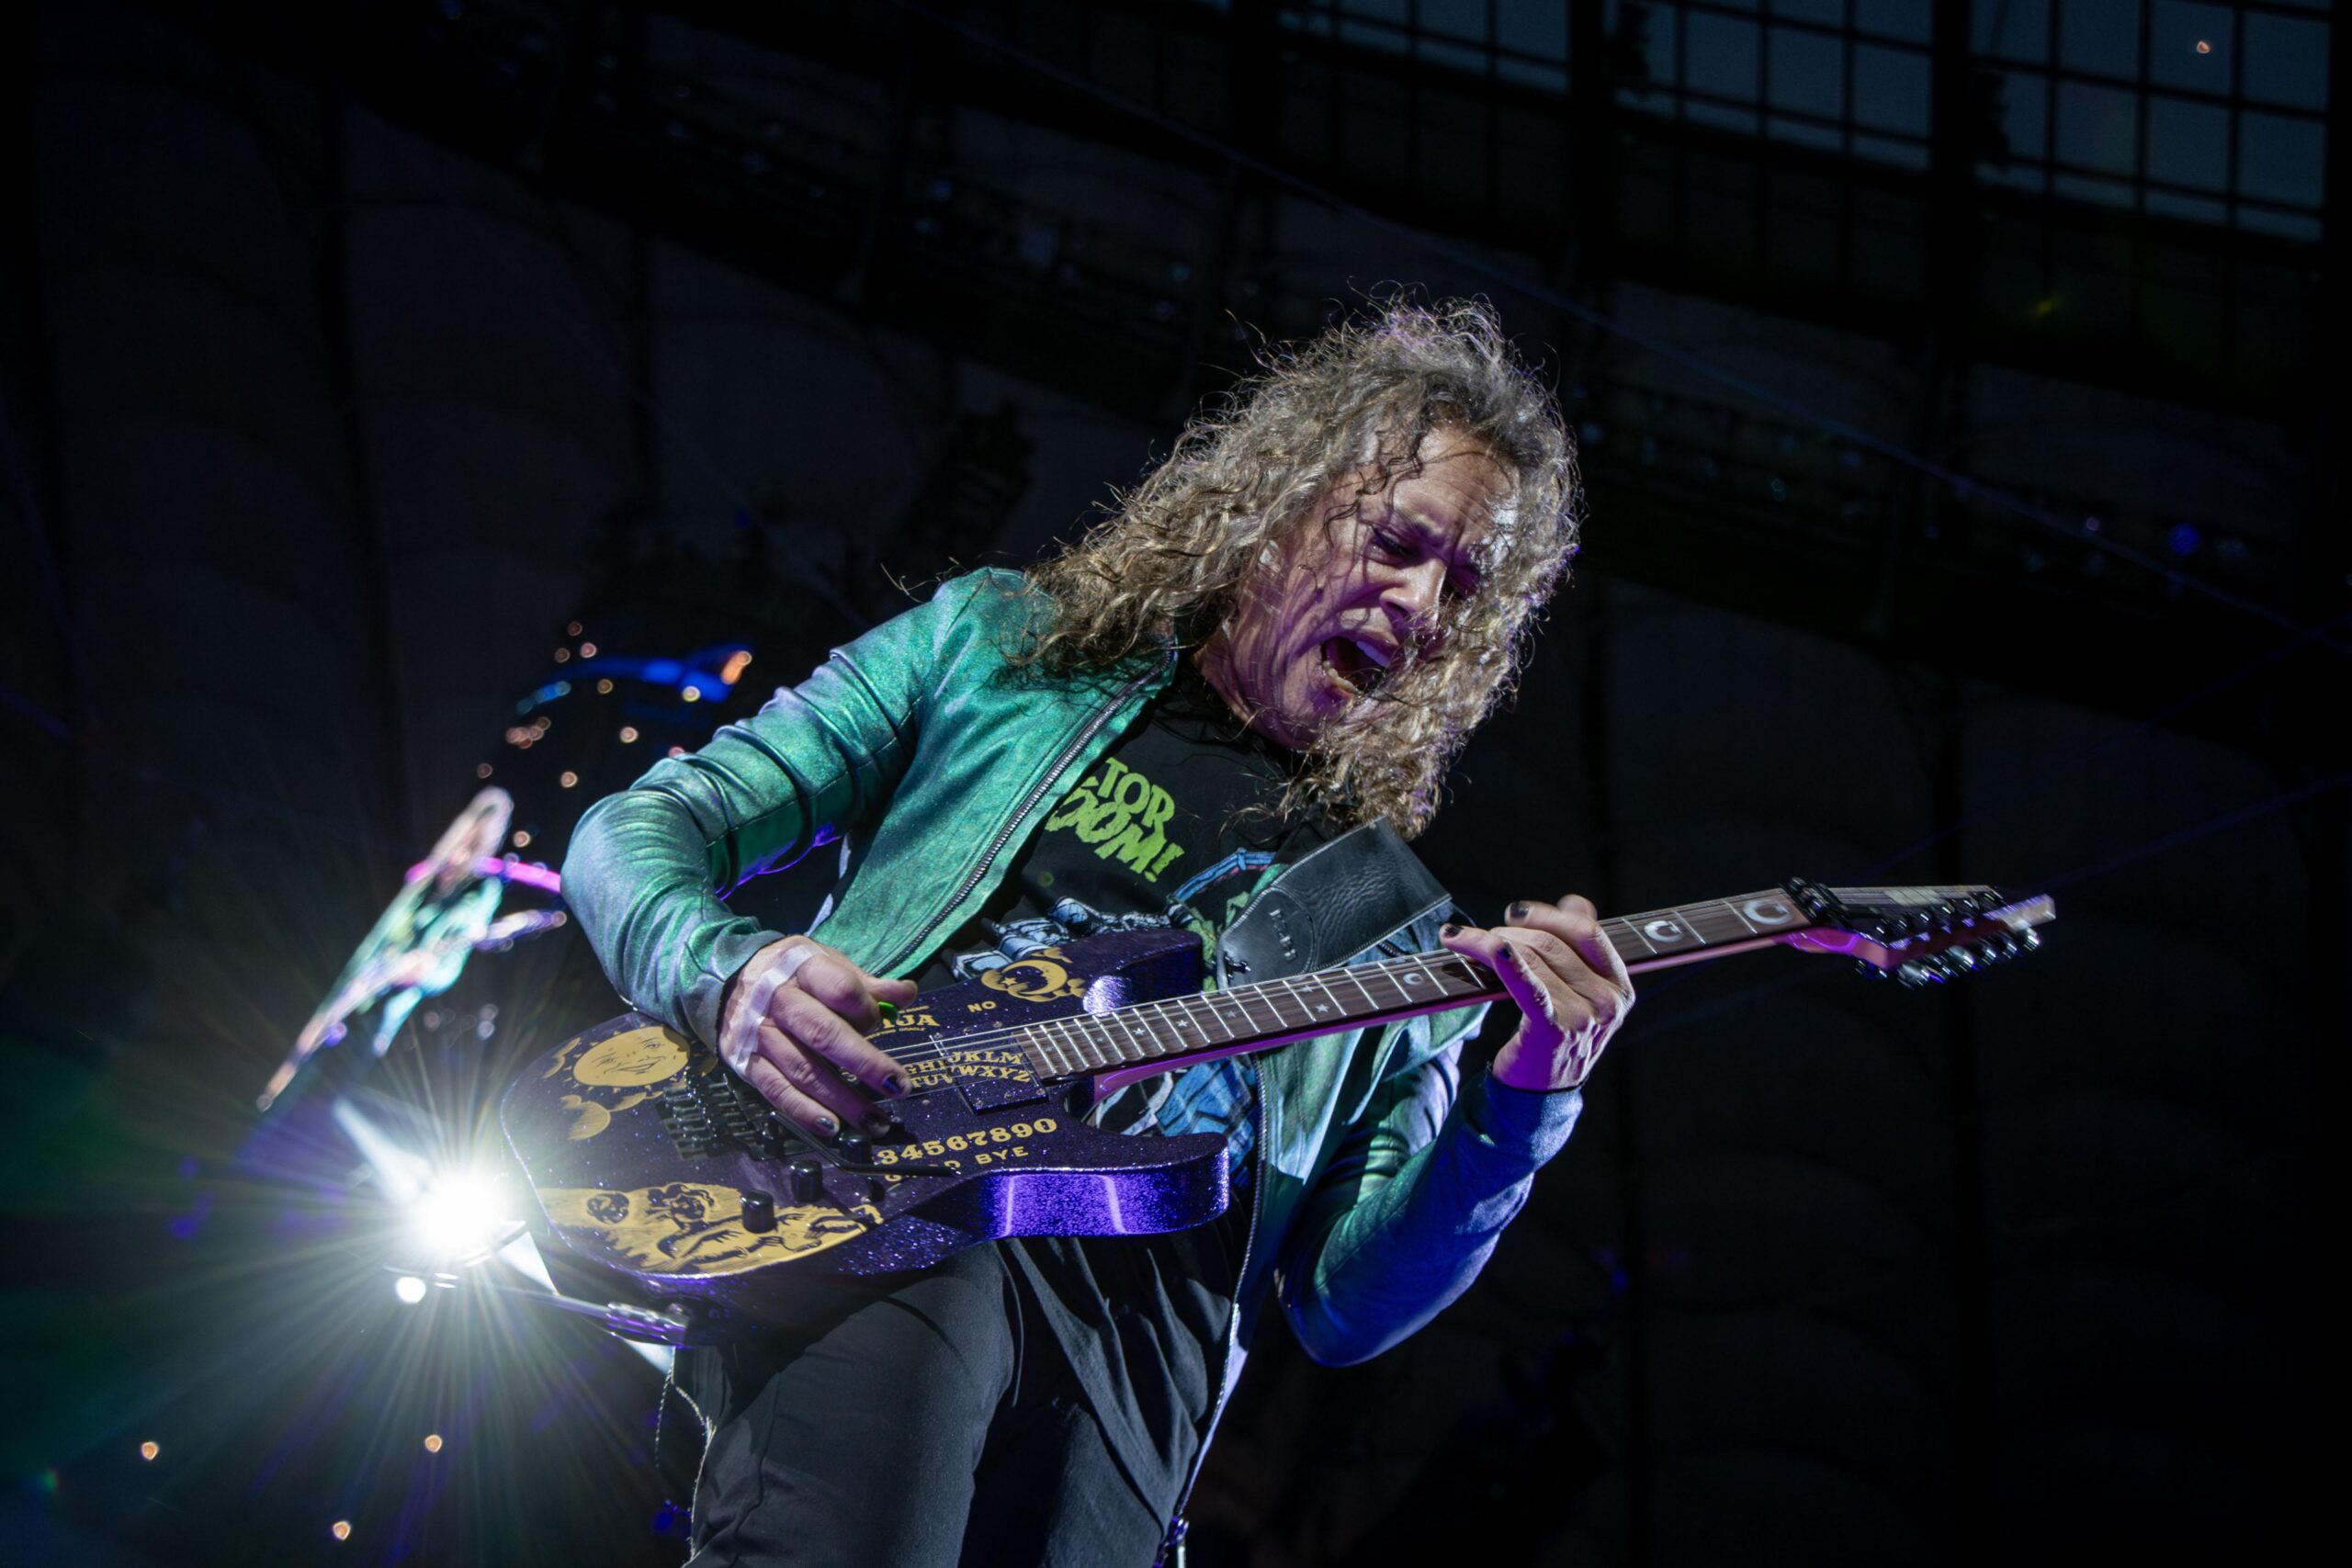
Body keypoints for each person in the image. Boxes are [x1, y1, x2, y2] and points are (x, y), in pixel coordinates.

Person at [561, 299, 1634, 1567]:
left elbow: (1348, 1305)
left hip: (1136, 1403)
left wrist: (1528, 1103)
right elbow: (640, 828)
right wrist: (726, 972)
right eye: (1397, 543)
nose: (1418, 606)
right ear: (1282, 500)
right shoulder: (998, 651)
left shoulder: (1398, 928)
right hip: (906, 1229)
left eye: (1463, 585)